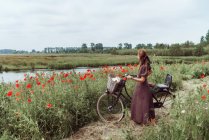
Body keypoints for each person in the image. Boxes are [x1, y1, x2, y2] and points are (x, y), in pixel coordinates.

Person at [126, 49, 156, 126]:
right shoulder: (145, 64)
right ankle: (144, 120)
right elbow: (149, 72)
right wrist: (145, 77)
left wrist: (131, 78)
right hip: (142, 87)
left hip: (142, 88)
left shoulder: (143, 66)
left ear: (140, 56)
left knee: (144, 105)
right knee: (140, 104)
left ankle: (146, 121)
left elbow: (142, 80)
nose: (137, 56)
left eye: (137, 55)